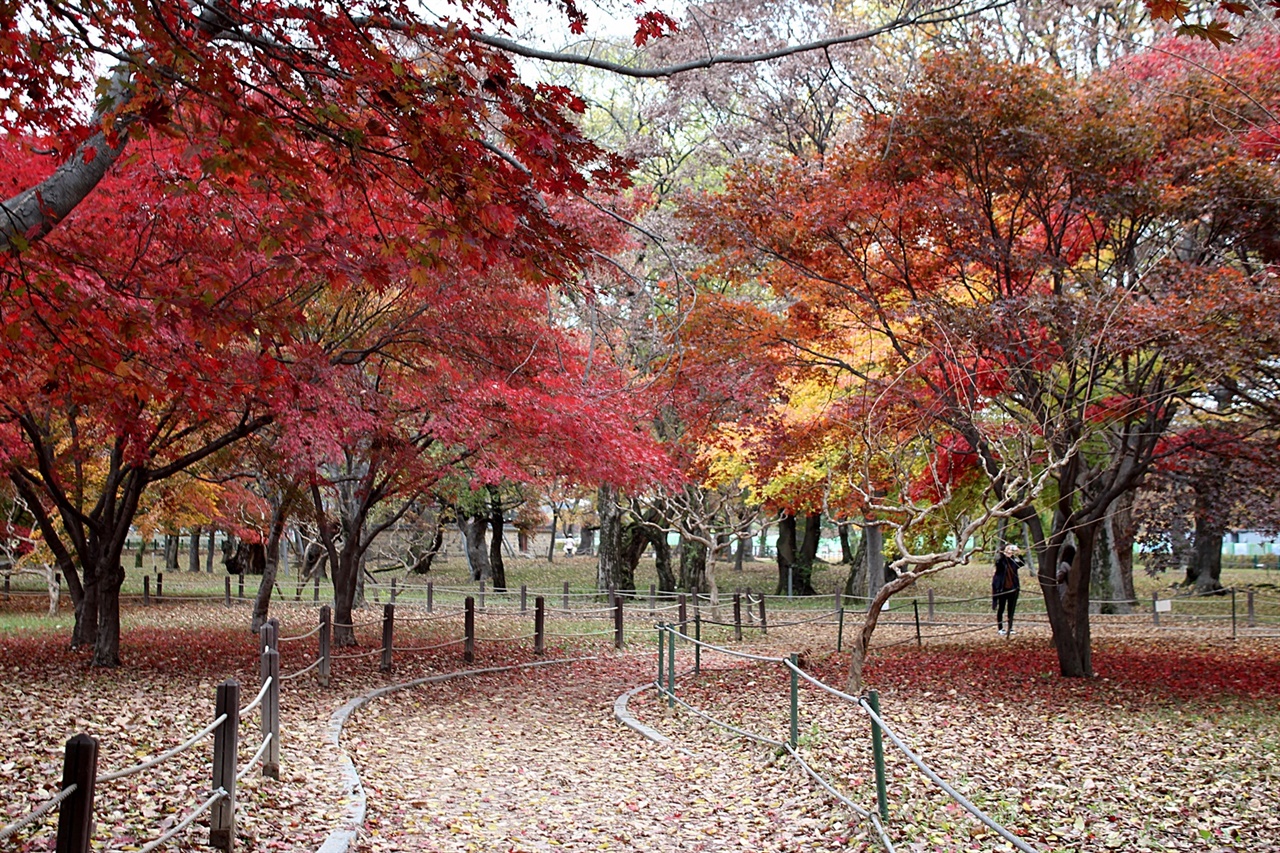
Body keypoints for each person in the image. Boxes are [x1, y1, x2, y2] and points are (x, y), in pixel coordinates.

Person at [992, 543, 1023, 636]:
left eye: (1011, 549)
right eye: (1008, 549)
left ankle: (1010, 627)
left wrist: (1019, 553)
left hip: (1013, 589)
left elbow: (1022, 563)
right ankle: (1000, 628)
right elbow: (998, 564)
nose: (1010, 551)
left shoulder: (1014, 561)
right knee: (1001, 609)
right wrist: (1004, 555)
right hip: (1002, 589)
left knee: (1011, 609)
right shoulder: (1001, 561)